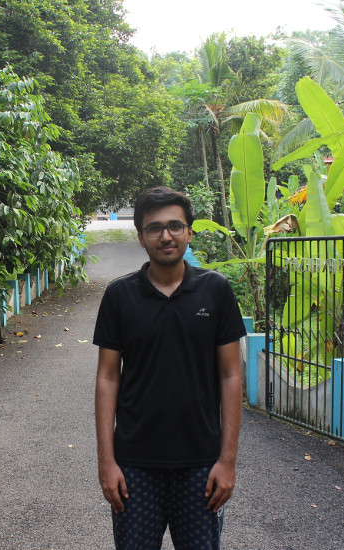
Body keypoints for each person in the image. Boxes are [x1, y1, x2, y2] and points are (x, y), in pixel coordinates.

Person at [93, 186, 246, 550]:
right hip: (134, 465)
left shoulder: (216, 291)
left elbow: (231, 375)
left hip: (201, 464)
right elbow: (107, 377)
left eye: (175, 226)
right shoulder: (120, 296)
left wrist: (228, 461)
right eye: (154, 228)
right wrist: (106, 462)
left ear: (189, 232)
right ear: (141, 238)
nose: (166, 236)